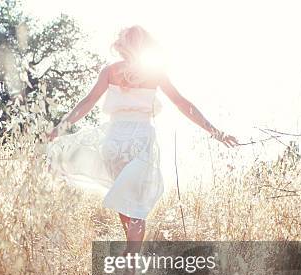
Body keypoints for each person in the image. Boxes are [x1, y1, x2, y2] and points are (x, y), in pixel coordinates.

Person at [46, 25, 239, 256]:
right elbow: (182, 104)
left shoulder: (109, 71)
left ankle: (130, 251)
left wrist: (59, 128)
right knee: (135, 205)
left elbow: (87, 103)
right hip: (140, 141)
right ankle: (132, 258)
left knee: (123, 198)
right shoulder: (155, 73)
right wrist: (215, 132)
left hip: (114, 142)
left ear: (122, 45)